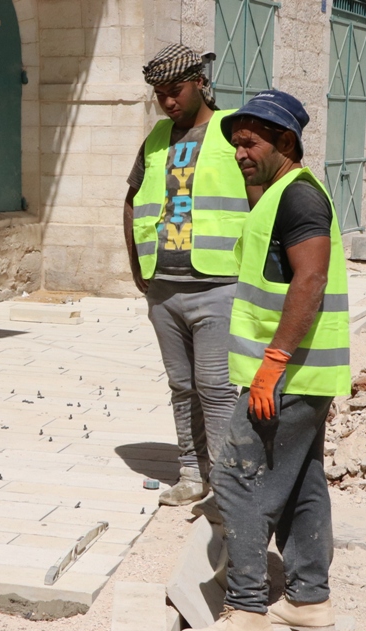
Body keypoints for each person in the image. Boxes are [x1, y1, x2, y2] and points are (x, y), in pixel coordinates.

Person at [178, 90, 351, 631]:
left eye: (250, 142)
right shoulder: (280, 193)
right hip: (297, 374)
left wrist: (271, 366)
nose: (239, 152)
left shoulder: (299, 198)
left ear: (286, 142)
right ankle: (308, 600)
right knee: (301, 482)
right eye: (234, 143)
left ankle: (247, 609)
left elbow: (310, 281)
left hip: (288, 375)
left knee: (235, 477)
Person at [124, 44, 256, 506]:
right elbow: (132, 198)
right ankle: (190, 474)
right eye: (159, 94)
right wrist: (137, 266)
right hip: (164, 288)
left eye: (175, 91)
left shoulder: (235, 130)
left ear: (200, 82)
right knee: (182, 386)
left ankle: (224, 485)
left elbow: (261, 198)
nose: (168, 102)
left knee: (216, 387)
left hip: (219, 285)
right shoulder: (157, 139)